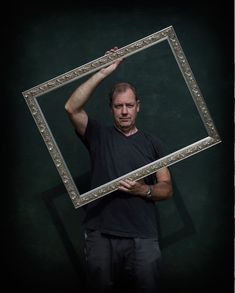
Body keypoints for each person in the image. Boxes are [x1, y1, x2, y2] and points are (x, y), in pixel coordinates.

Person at [65, 47, 173, 293]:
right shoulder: (98, 135)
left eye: (129, 105)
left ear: (138, 107)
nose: (124, 111)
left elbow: (166, 189)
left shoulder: (153, 143)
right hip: (100, 235)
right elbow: (71, 108)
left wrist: (142, 189)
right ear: (111, 108)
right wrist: (103, 72)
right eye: (118, 106)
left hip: (143, 236)